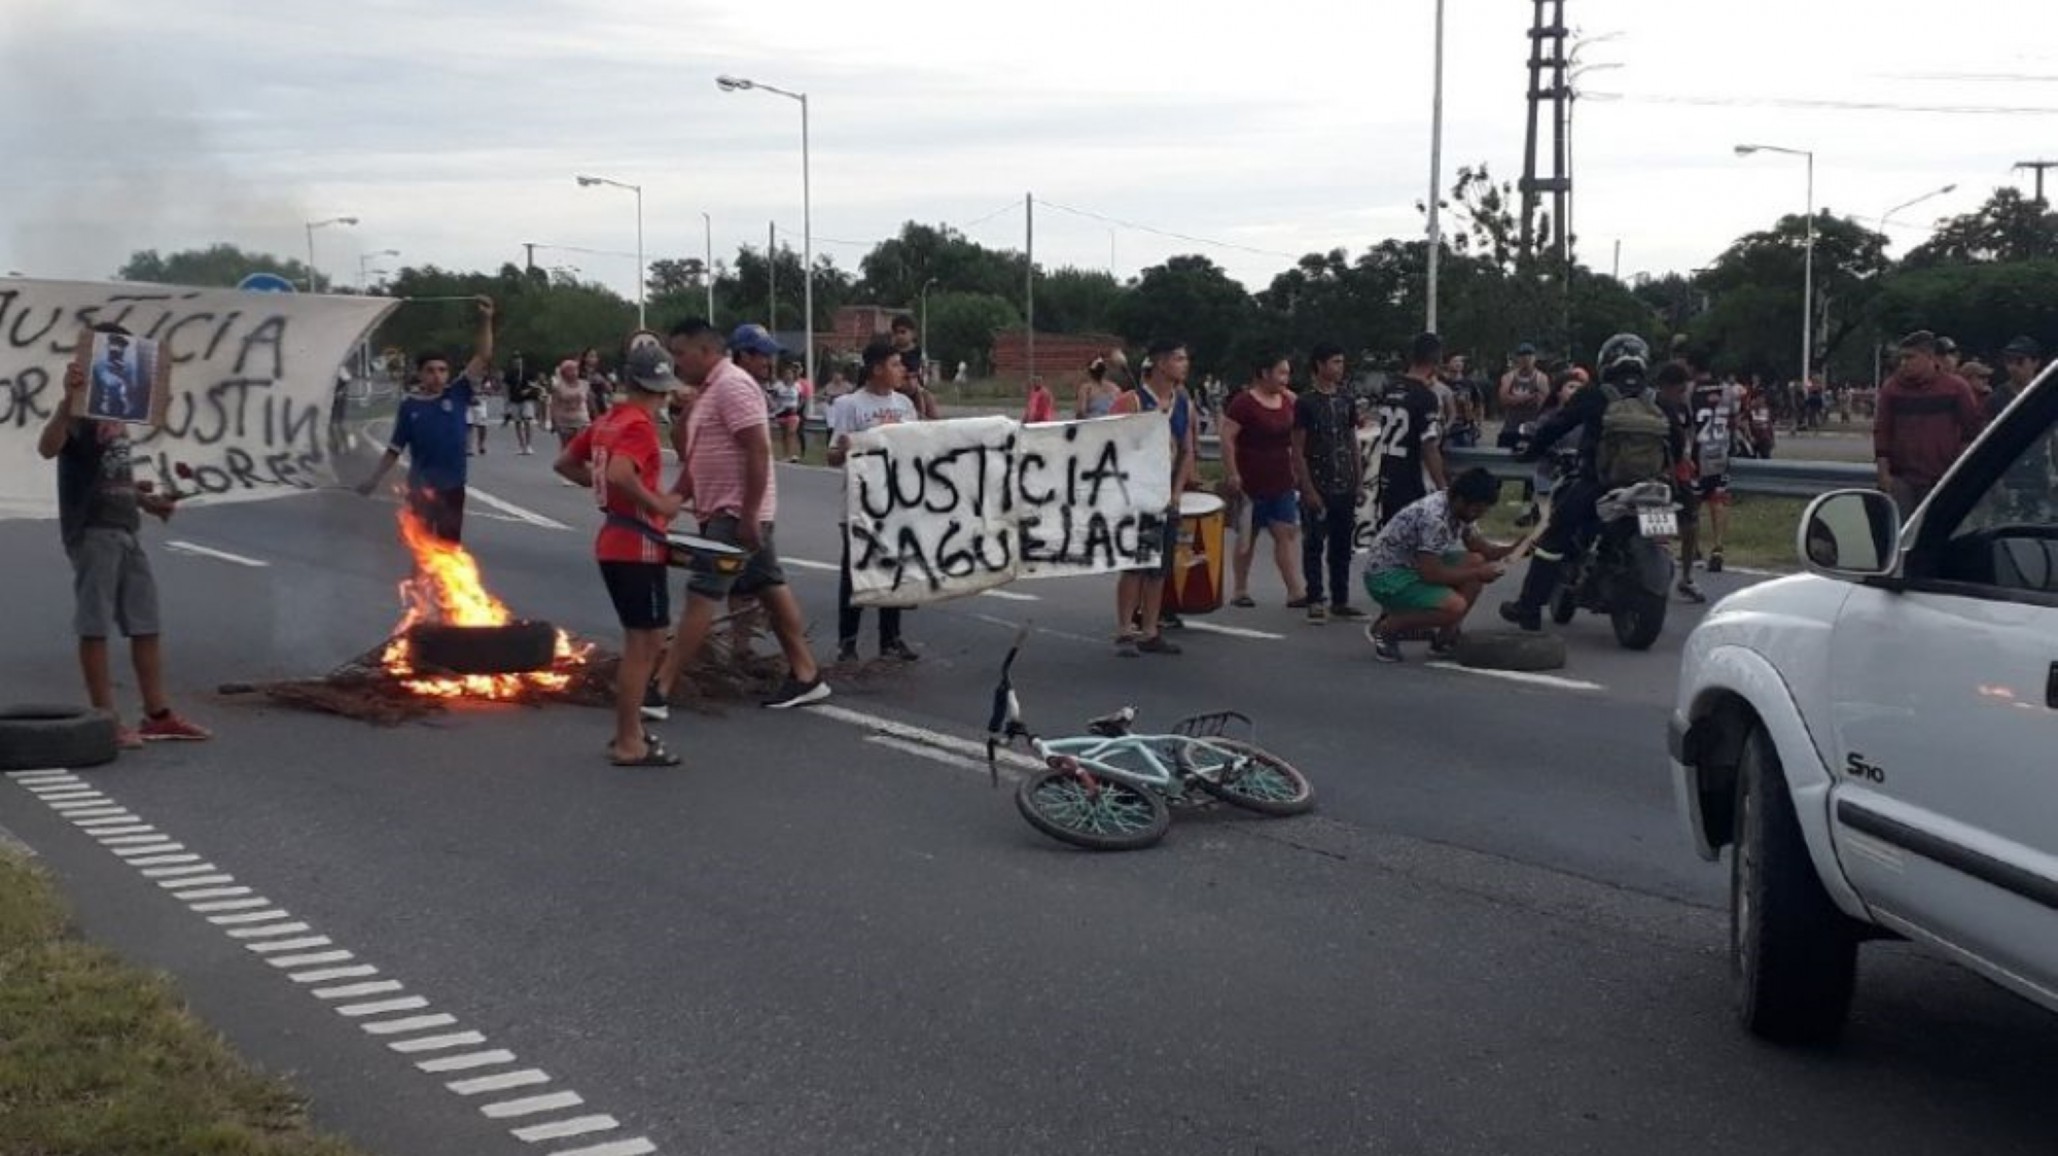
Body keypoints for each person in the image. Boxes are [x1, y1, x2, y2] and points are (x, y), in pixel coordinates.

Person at [38, 324, 210, 747]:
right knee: (96, 625)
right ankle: (105, 717)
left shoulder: (119, 417)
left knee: (145, 623)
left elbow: (112, 475)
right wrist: (66, 403)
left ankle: (157, 714)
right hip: (92, 529)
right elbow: (48, 447)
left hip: (126, 527)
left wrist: (146, 501)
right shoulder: (78, 412)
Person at [648, 320, 830, 717]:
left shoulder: (733, 386)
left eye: (681, 354)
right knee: (768, 585)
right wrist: (674, 498)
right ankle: (807, 673)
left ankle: (660, 687)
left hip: (735, 512)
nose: (677, 362)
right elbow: (699, 456)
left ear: (706, 351)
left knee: (703, 592)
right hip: (724, 508)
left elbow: (757, 450)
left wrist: (748, 514)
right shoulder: (711, 390)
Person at [553, 344, 687, 767]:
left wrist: (604, 490)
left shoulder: (608, 421)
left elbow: (565, 463)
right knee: (645, 645)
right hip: (637, 544)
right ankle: (629, 740)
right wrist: (658, 503)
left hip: (615, 537)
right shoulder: (638, 426)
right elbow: (618, 473)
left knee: (643, 641)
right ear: (658, 389)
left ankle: (630, 731)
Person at [1499, 333, 1673, 632]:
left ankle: (1528, 607)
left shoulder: (1596, 395)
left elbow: (1556, 426)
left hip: (1599, 484)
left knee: (1554, 537)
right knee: (1665, 533)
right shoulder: (1657, 399)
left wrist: (1530, 451)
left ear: (1607, 362)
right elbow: (1677, 442)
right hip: (1652, 487)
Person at [357, 297, 495, 542]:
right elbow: (394, 449)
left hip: (453, 487)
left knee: (448, 548)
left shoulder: (458, 392)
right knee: (423, 546)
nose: (437, 376)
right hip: (421, 488)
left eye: (442, 370)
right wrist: (373, 479)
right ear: (420, 374)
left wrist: (486, 320)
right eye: (430, 371)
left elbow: (483, 356)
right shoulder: (410, 407)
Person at [829, 340, 922, 664]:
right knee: (855, 571)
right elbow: (832, 456)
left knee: (893, 568)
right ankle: (847, 641)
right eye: (895, 364)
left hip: (896, 501)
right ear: (877, 368)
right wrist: (844, 449)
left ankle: (890, 638)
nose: (902, 370)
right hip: (860, 504)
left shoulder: (905, 405)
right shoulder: (849, 404)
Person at [1361, 469, 1515, 663]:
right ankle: (1387, 628)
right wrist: (1478, 573)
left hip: (1413, 564)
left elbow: (1481, 548)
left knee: (1476, 560)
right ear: (1460, 500)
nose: (1477, 515)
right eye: (1476, 510)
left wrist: (1516, 549)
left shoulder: (1460, 510)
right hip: (1387, 576)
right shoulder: (1433, 517)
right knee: (1455, 606)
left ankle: (1445, 638)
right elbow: (1431, 574)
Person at [1110, 338, 1198, 657]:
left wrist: (1176, 492)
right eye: (1178, 358)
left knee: (1159, 567)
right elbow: (1110, 447)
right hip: (1136, 494)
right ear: (1161, 363)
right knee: (1135, 564)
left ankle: (1150, 630)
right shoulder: (1131, 401)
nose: (1185, 364)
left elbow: (1186, 450)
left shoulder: (1183, 402)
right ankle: (1124, 629)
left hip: (1165, 494)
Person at [1222, 353, 1309, 611]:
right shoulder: (1243, 403)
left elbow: (1301, 433)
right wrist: (1232, 472)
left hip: (1282, 478)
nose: (1285, 378)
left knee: (1285, 534)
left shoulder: (1289, 400)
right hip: (1250, 480)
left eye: (1287, 373)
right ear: (1264, 373)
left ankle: (1295, 590)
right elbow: (1227, 438)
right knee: (1247, 536)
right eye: (1281, 372)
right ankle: (1240, 589)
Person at [1294, 342, 1366, 622]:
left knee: (1342, 546)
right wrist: (1307, 488)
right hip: (1318, 482)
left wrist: (1358, 480)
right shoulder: (1306, 402)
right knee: (1314, 543)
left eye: (1341, 362)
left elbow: (1352, 441)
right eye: (1335, 362)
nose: (1340, 367)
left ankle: (1340, 599)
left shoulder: (1346, 399)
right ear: (1320, 365)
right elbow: (1298, 448)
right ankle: (1315, 598)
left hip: (1344, 482)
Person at [1874, 330, 1984, 513]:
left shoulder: (1956, 388)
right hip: (1902, 478)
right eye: (1902, 358)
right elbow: (1882, 433)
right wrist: (1883, 474)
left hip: (1941, 478)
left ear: (1929, 357)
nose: (1904, 363)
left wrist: (1958, 470)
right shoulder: (1892, 389)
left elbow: (1971, 431)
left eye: (1910, 357)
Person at [1371, 333, 1449, 530]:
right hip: (1411, 480)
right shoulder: (1425, 396)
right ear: (1436, 359)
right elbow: (1429, 446)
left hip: (1387, 474)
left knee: (1391, 538)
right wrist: (1443, 488)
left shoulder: (1390, 388)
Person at [889, 314, 940, 419]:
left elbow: (924, 368)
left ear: (913, 333)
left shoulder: (918, 352)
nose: (899, 336)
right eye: (896, 333)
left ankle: (928, 419)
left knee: (928, 400)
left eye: (903, 332)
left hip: (916, 385)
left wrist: (921, 382)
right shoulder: (892, 351)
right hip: (897, 386)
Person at [768, 358, 804, 463]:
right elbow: (772, 397)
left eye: (790, 374)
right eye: (786, 374)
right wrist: (773, 405)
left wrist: (798, 407)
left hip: (792, 412)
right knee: (785, 434)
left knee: (791, 432)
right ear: (783, 375)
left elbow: (801, 398)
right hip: (781, 412)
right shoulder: (778, 386)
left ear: (793, 375)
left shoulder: (797, 386)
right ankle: (786, 454)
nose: (788, 376)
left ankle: (792, 454)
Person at [505, 357, 540, 455]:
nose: (517, 363)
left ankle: (528, 444)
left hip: (527, 399)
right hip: (514, 400)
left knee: (528, 420)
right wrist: (507, 401)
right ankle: (521, 445)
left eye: (519, 361)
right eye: (515, 361)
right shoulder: (510, 373)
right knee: (517, 422)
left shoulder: (528, 372)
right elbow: (506, 387)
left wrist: (528, 390)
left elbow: (535, 384)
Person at [580, 347, 612, 418]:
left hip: (600, 401)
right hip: (584, 404)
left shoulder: (601, 371)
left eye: (596, 356)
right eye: (591, 356)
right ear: (585, 358)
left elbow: (610, 389)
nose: (594, 359)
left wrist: (602, 380)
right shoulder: (580, 372)